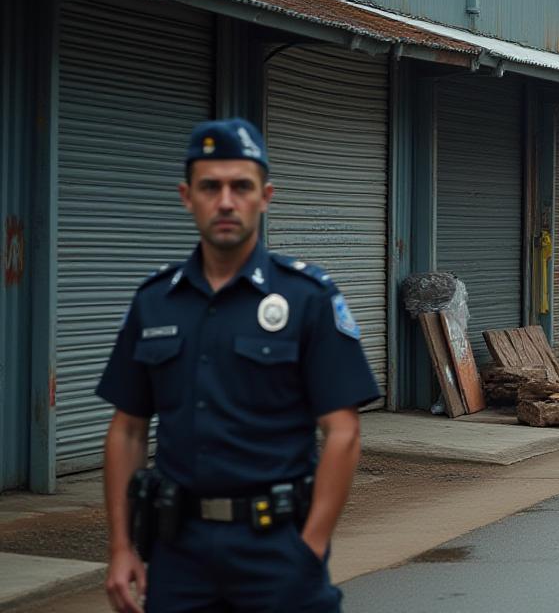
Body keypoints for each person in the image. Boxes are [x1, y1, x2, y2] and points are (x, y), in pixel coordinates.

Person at [98, 118, 381, 613]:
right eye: (211, 186)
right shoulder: (154, 302)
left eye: (240, 187)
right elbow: (127, 431)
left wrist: (310, 549)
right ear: (187, 196)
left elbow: (343, 432)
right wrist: (121, 548)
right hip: (177, 552)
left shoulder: (307, 298)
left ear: (265, 196)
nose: (225, 201)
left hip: (276, 549)